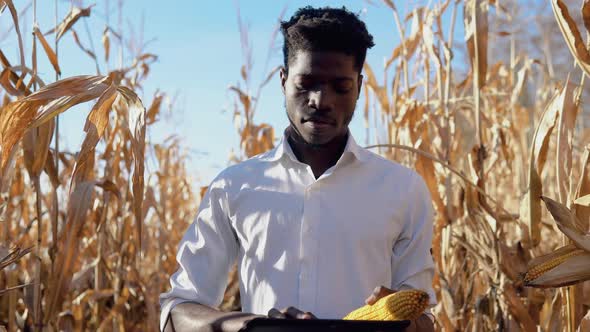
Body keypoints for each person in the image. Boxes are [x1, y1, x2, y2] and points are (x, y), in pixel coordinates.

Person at [160, 6, 436, 332]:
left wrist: (399, 322)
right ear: (283, 80)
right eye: (306, 83)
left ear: (359, 87)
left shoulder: (403, 189)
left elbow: (425, 321)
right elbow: (177, 312)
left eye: (341, 87)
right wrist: (253, 326)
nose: (321, 100)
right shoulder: (234, 187)